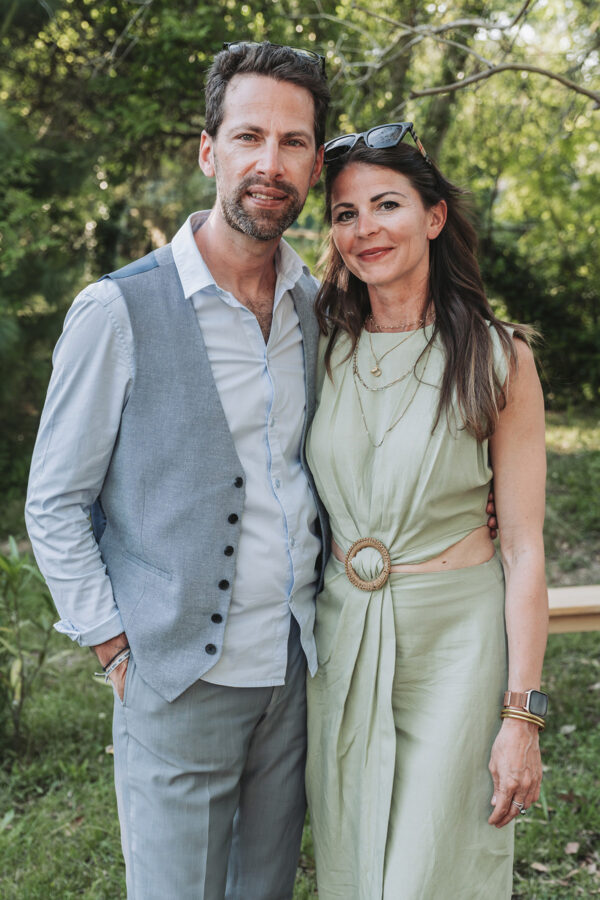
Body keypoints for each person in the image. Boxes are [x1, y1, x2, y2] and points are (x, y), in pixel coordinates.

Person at [25, 41, 331, 900]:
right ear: (209, 151)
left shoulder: (318, 307)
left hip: (295, 670)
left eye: (294, 142)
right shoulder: (116, 309)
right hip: (174, 677)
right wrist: (114, 643)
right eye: (248, 137)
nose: (269, 164)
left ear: (313, 163)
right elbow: (54, 502)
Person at [304, 123, 548, 899]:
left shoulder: (497, 355)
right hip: (343, 639)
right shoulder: (316, 343)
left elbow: (525, 549)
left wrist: (523, 718)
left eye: (386, 204)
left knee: (427, 879)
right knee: (355, 871)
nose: (365, 229)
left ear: (434, 217)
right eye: (345, 213)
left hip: (456, 649)